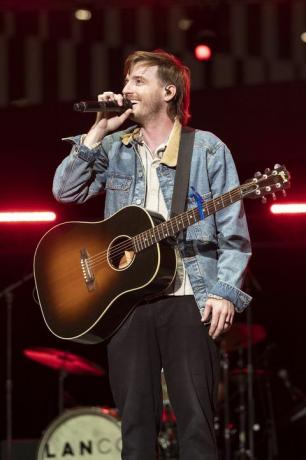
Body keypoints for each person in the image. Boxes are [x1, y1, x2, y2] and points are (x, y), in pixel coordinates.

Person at [53, 49, 252, 459]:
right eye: (126, 81)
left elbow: (234, 234)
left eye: (137, 81)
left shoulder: (207, 149)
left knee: (196, 426)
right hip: (125, 303)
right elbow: (65, 191)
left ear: (168, 90)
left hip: (187, 299)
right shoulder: (115, 148)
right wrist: (96, 131)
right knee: (135, 429)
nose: (126, 89)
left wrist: (224, 292)